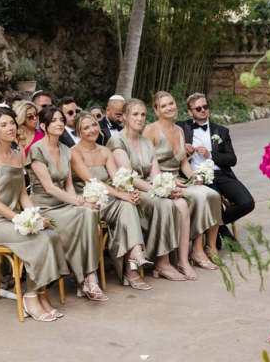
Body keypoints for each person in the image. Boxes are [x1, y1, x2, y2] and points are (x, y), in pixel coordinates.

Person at [0, 109, 67, 322]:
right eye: (3, 125)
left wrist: (34, 216)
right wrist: (20, 219)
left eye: (11, 123)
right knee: (36, 239)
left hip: (14, 217)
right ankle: (30, 296)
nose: (10, 128)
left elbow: (23, 194)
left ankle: (42, 293)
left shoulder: (19, 154)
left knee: (51, 236)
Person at [28, 107, 107, 301]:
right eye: (53, 120)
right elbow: (50, 188)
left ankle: (89, 277)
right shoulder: (36, 149)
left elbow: (68, 185)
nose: (59, 123)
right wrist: (78, 201)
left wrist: (79, 205)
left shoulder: (65, 149)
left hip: (65, 203)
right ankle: (84, 280)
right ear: (44, 126)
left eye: (61, 120)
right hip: (45, 206)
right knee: (82, 216)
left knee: (88, 215)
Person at [108, 99, 187, 281]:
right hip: (128, 190)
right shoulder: (116, 141)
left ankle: (173, 259)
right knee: (164, 204)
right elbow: (129, 177)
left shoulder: (146, 142)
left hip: (147, 187)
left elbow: (156, 174)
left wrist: (166, 187)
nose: (140, 118)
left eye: (143, 114)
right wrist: (159, 192)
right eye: (135, 114)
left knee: (175, 201)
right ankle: (162, 262)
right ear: (126, 116)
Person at [71, 113, 152, 290]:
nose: (92, 130)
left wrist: (130, 191)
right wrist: (122, 195)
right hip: (88, 201)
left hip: (109, 197)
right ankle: (132, 269)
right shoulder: (74, 153)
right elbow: (92, 180)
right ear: (78, 131)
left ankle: (135, 257)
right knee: (125, 203)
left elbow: (116, 178)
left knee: (129, 205)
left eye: (93, 125)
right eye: (86, 127)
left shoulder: (104, 151)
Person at [144, 91, 222, 270]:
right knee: (200, 197)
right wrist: (167, 181)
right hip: (160, 182)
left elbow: (183, 162)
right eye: (163, 105)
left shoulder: (179, 130)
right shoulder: (151, 130)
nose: (169, 107)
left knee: (212, 194)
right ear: (156, 110)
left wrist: (193, 176)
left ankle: (201, 248)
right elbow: (146, 164)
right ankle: (193, 251)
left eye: (171, 103)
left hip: (179, 179)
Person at [178, 93, 255, 242]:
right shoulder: (181, 127)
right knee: (214, 200)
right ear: (190, 112)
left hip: (221, 174)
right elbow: (167, 144)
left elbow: (232, 159)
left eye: (205, 106)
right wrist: (182, 146)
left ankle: (218, 227)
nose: (203, 110)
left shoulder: (221, 131)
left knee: (247, 203)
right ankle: (221, 234)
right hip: (197, 176)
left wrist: (210, 154)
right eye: (198, 108)